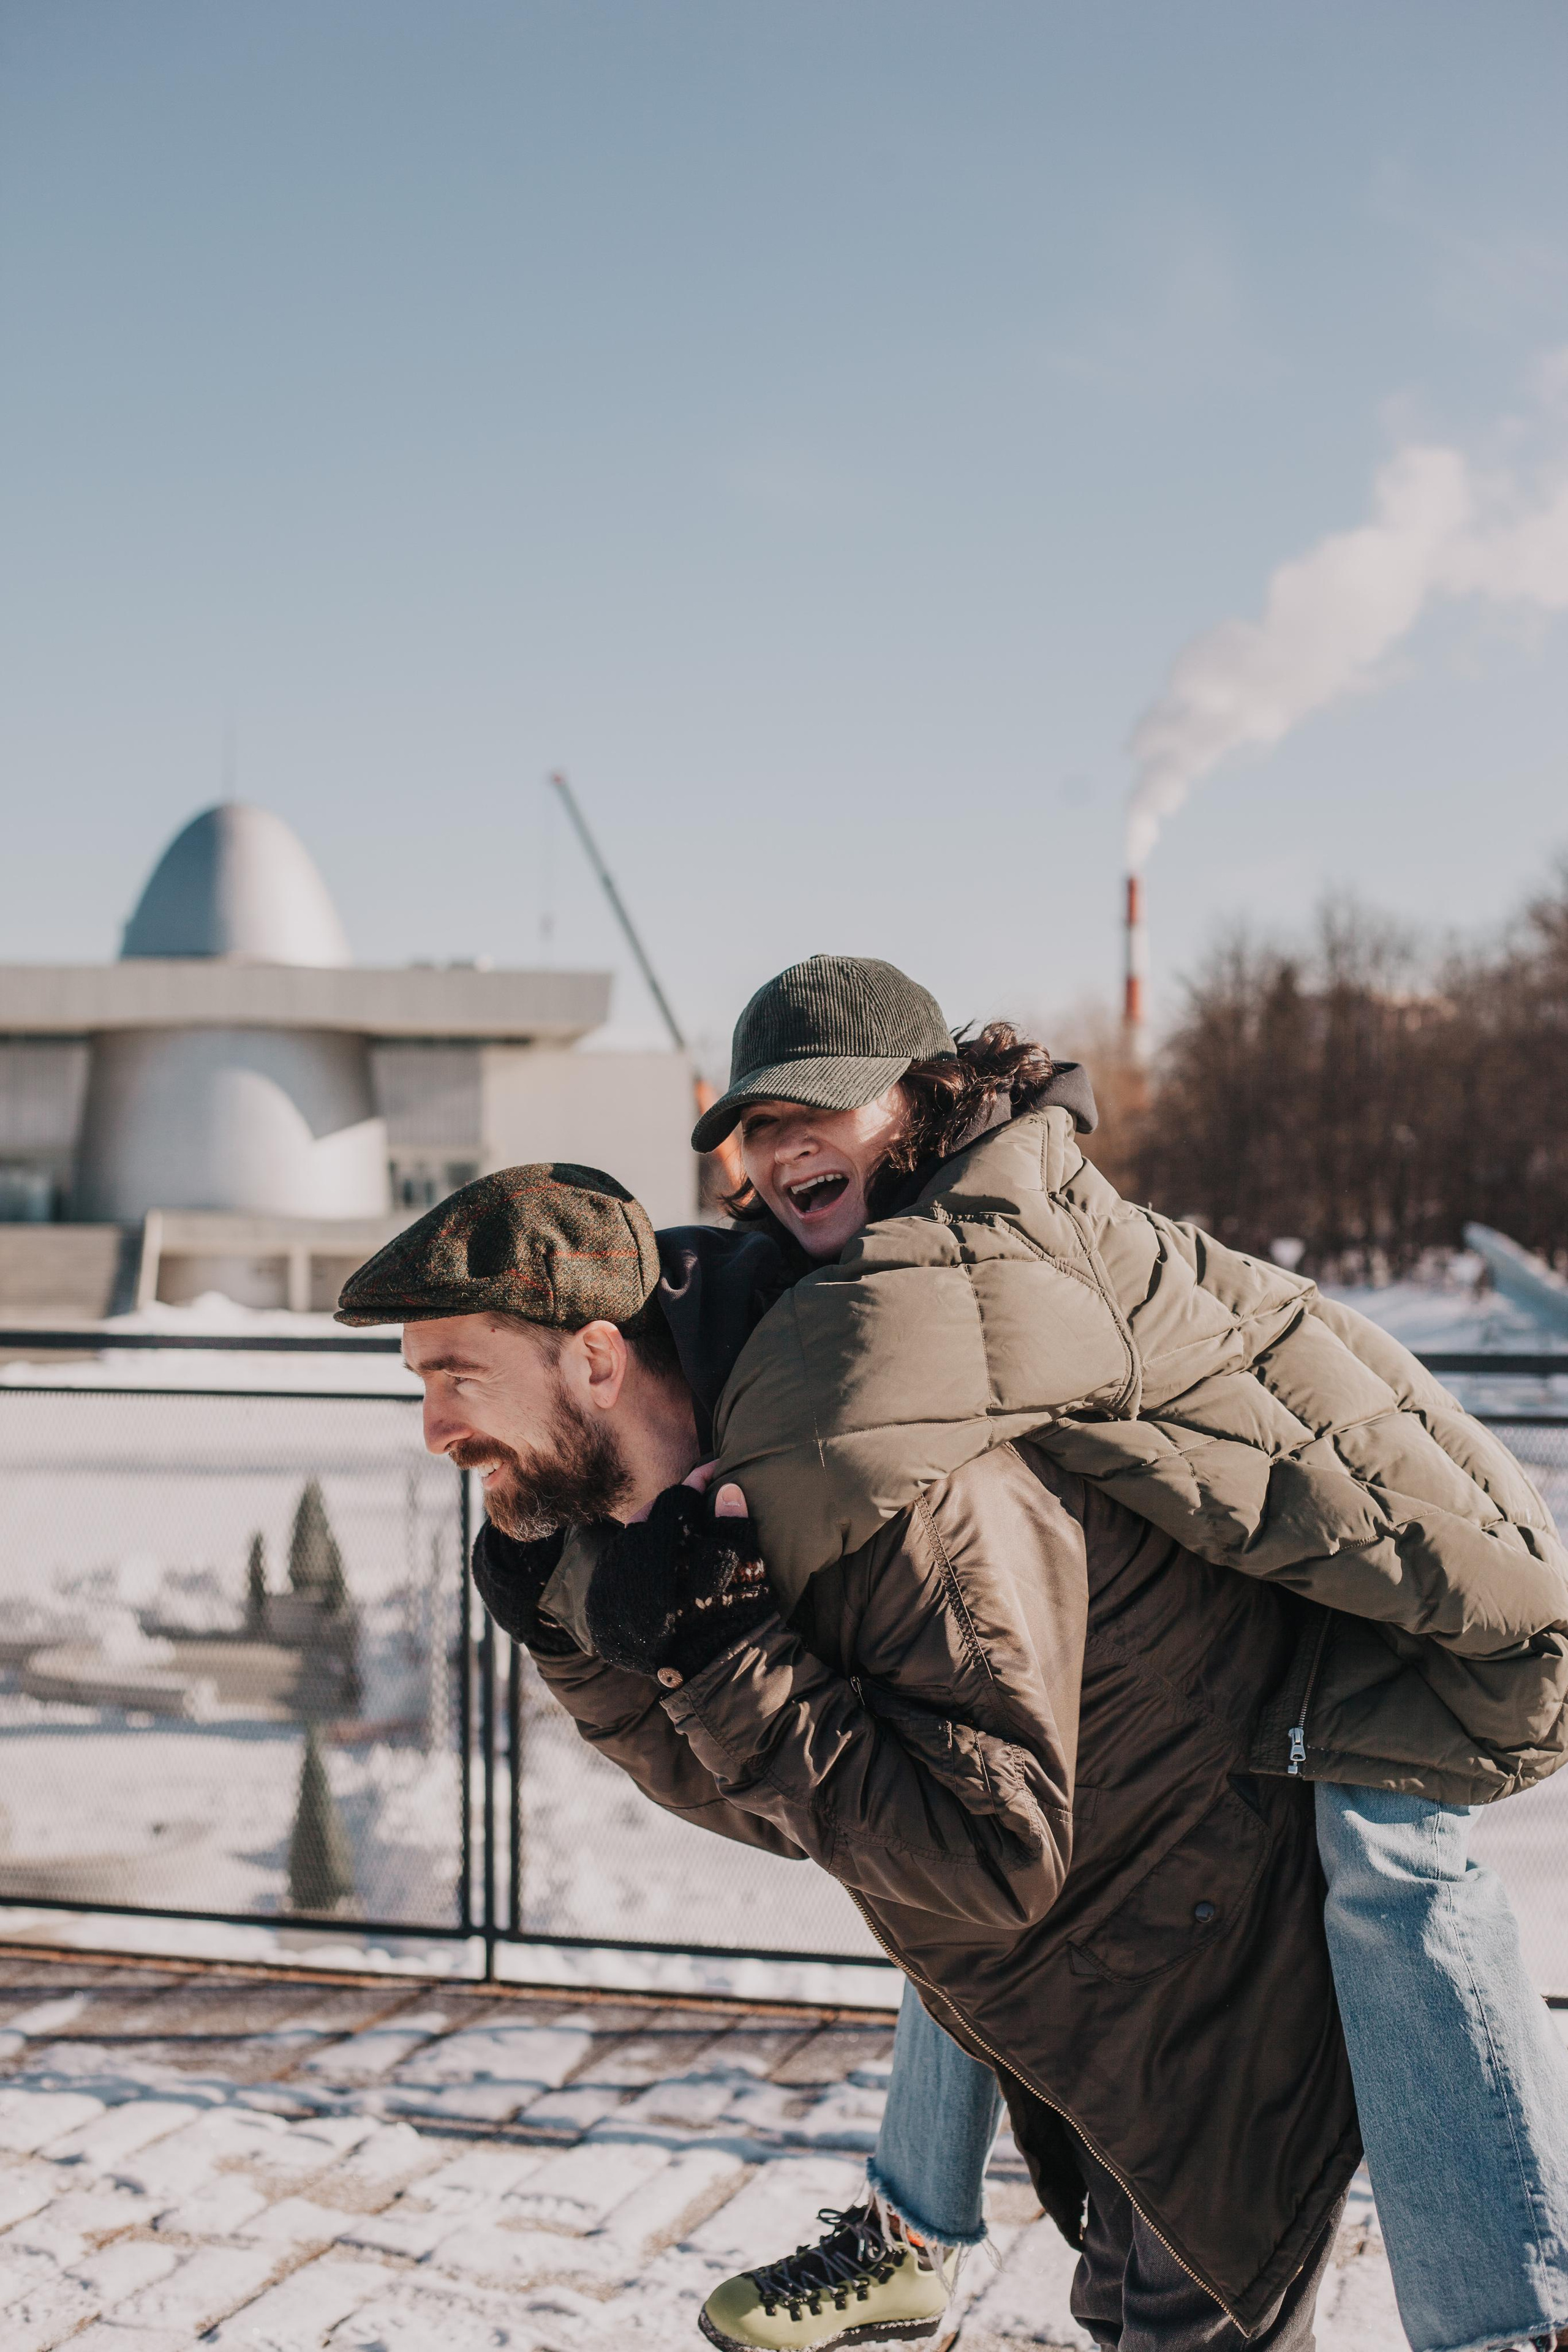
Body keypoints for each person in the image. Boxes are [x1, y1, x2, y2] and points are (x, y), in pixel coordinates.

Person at [681, 952, 1568, 2352]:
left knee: (1393, 1868)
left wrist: (621, 1410)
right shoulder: (905, 1241)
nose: (784, 1142)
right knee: (948, 1800)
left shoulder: (996, 1229)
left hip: (1400, 1598)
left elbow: (835, 1385)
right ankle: (914, 2227)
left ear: (917, 1103)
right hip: (1263, 1592)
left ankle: (1512, 2317)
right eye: (756, 1121)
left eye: (822, 1107)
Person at [340, 1163, 1360, 2352]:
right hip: (1085, 1973)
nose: (432, 1430)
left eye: (456, 1378)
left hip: (1212, 1943)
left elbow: (986, 1852)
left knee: (1186, 2320)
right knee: (1123, 2305)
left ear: (599, 1361)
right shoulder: (692, 1495)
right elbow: (790, 1807)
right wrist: (593, 1645)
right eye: (419, 1384)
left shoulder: (871, 1467)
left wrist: (724, 1657)